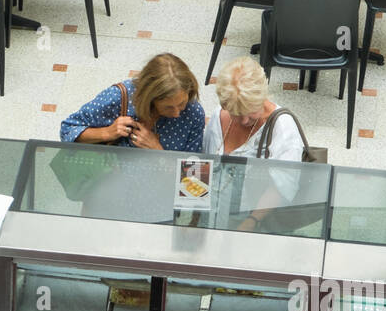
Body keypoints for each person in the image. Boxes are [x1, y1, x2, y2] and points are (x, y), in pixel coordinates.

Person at [202, 57, 304, 229]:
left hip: (250, 224)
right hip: (210, 219)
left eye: (251, 111)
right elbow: (202, 164)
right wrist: (194, 217)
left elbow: (283, 185)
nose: (244, 120)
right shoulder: (219, 115)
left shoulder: (283, 128)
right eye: (236, 113)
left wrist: (252, 221)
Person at [60, 52, 206, 152]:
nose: (176, 113)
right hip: (107, 184)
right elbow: (67, 130)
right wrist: (106, 132)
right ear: (150, 99)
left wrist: (158, 151)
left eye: (182, 104)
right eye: (168, 107)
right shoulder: (118, 97)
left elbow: (193, 177)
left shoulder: (194, 113)